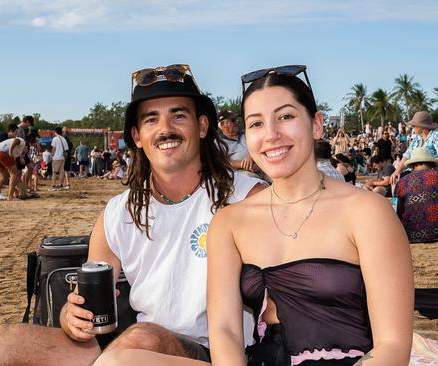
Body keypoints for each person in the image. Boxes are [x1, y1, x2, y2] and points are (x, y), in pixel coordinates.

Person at [96, 65, 413, 366]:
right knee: (117, 360)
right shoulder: (232, 220)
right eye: (257, 124)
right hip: (259, 359)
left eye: (285, 116)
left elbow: (393, 345)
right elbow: (226, 332)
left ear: (316, 124)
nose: (272, 134)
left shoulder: (367, 212)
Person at [0, 64, 264, 366]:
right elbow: (85, 304)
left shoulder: (245, 198)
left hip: (216, 351)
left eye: (178, 115)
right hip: (132, 349)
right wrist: (72, 317)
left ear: (201, 126)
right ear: (136, 136)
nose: (165, 128)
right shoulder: (119, 212)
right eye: (151, 119)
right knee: (3, 343)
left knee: (141, 339)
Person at [395, 147, 438, 242]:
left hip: (409, 233)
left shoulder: (402, 182)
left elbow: (397, 211)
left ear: (413, 165)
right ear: (432, 164)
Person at [389, 111, 438, 185]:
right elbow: (407, 155)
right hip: (417, 171)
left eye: (414, 126)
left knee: (412, 182)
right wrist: (398, 171)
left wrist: (426, 166)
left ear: (422, 126)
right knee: (396, 179)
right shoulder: (417, 138)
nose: (412, 127)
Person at [217, 110, 261, 178]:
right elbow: (222, 162)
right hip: (241, 172)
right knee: (251, 178)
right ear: (222, 125)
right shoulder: (219, 142)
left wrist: (250, 156)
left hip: (261, 164)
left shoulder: (246, 133)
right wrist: (244, 165)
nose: (237, 122)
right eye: (233, 120)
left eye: (236, 119)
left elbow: (260, 145)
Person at [50, 127, 68, 191]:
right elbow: (66, 149)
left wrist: (51, 156)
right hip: (62, 157)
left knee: (54, 172)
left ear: (55, 132)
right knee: (61, 172)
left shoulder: (55, 138)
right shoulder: (64, 139)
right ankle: (60, 185)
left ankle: (53, 185)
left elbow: (54, 148)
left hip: (56, 157)